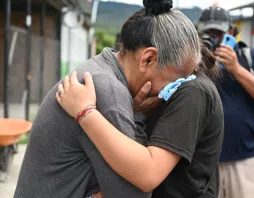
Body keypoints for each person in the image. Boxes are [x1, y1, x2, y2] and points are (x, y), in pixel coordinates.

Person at [14, 0, 202, 197]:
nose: (171, 92)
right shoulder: (108, 92)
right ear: (148, 59)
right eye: (173, 81)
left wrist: (137, 113)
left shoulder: (100, 68)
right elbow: (133, 194)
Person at [55, 42, 224, 198]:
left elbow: (149, 174)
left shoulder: (193, 92)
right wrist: (138, 113)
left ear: (150, 59)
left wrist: (84, 112)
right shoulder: (179, 87)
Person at [197, 6, 254, 198]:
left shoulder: (248, 56)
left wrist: (236, 69)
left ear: (232, 33)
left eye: (219, 33)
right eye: (208, 34)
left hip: (246, 158)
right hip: (205, 159)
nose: (214, 39)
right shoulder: (194, 62)